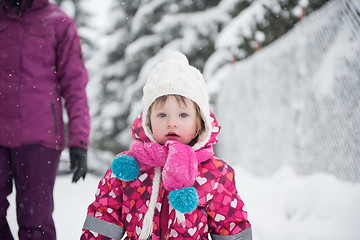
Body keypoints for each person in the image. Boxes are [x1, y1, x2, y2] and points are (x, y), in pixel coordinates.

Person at [81, 52, 251, 239]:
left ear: (200, 123)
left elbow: (231, 225)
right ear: (148, 121)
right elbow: (104, 219)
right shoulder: (128, 168)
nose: (172, 123)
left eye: (183, 115)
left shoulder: (215, 173)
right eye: (162, 115)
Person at [0, 0, 90, 239]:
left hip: (40, 140)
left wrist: (79, 141)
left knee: (36, 224)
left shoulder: (58, 23)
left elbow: (75, 86)